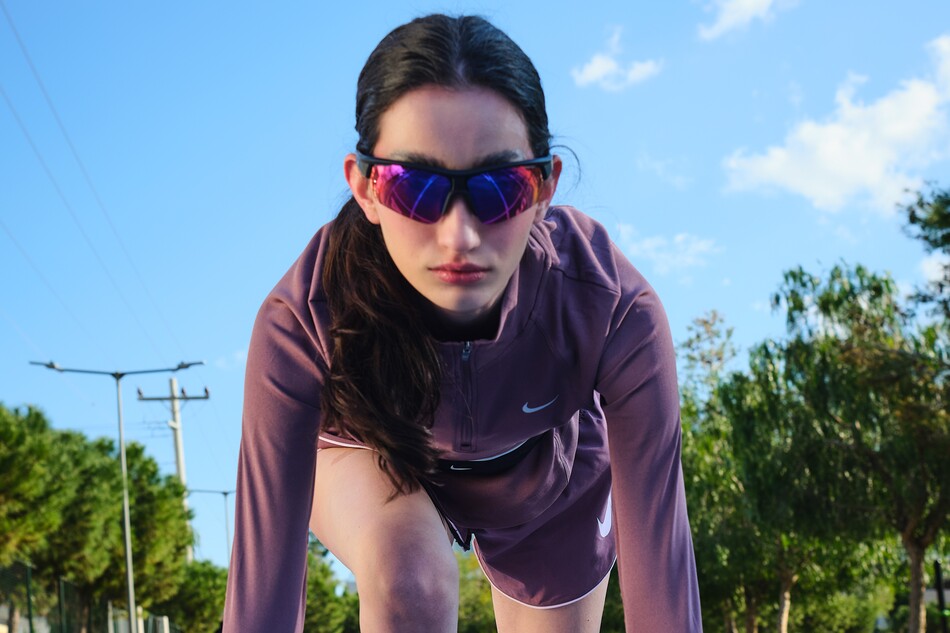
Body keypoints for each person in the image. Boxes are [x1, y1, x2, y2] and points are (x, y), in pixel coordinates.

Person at [223, 13, 702, 633]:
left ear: (544, 188)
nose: (459, 236)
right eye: (415, 188)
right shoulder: (302, 320)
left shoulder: (614, 308)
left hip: (546, 476)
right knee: (412, 576)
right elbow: (260, 606)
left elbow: (665, 590)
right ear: (366, 189)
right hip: (372, 451)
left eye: (499, 188)